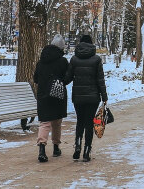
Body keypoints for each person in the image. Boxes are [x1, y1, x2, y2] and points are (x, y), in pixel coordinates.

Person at [66, 34, 108, 161]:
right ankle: (87, 151)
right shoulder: (96, 59)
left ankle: (77, 145)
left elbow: (68, 78)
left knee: (80, 121)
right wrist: (104, 96)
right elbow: (100, 80)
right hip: (93, 96)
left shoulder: (74, 59)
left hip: (78, 96)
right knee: (89, 123)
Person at [33, 34, 69, 162]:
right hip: (58, 95)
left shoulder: (41, 61)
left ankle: (42, 149)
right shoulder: (63, 61)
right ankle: (56, 147)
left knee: (45, 123)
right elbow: (67, 78)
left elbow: (35, 78)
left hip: (43, 95)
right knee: (56, 122)